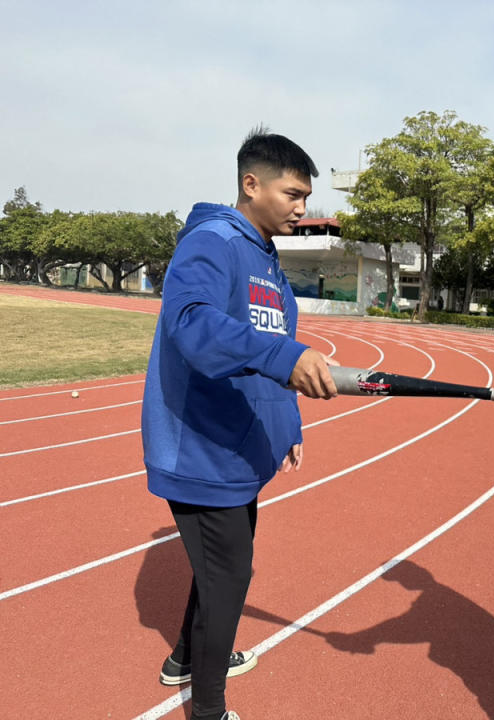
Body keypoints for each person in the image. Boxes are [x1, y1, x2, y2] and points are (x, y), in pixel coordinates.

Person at [141, 128, 340, 720]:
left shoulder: (266, 256)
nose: (302, 208)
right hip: (200, 448)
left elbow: (275, 346)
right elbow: (195, 325)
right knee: (230, 575)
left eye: (306, 196)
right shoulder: (213, 243)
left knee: (221, 567)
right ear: (251, 184)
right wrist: (288, 361)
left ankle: (185, 657)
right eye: (293, 194)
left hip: (240, 447)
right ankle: (208, 710)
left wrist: (289, 424)